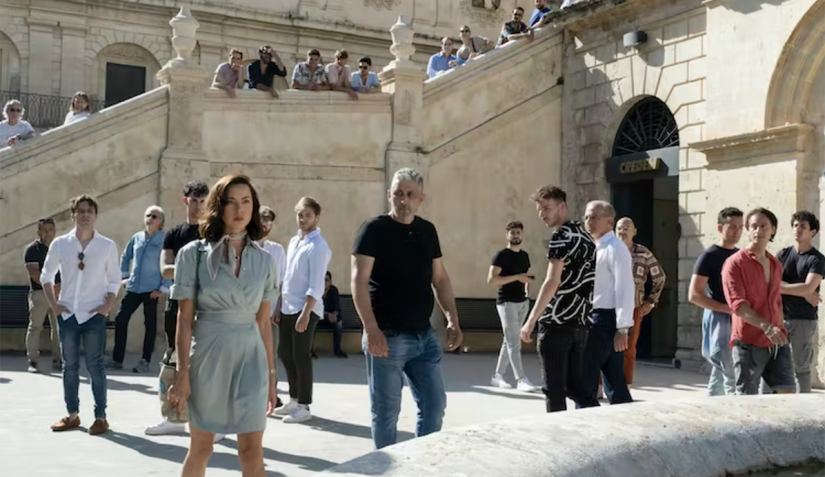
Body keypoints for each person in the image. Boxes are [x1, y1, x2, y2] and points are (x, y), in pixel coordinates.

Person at [167, 174, 279, 476]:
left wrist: (271, 375)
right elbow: (184, 318)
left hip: (251, 358)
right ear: (218, 206)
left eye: (246, 202)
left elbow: (264, 323)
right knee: (202, 446)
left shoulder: (267, 261)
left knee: (252, 449)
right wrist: (182, 373)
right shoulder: (193, 254)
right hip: (207, 356)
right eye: (230, 202)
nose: (239, 209)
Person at [352, 167, 463, 449]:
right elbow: (359, 281)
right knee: (386, 413)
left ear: (421, 198)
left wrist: (452, 319)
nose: (404, 200)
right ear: (389, 195)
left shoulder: (427, 231)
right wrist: (371, 329)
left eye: (410, 194)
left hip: (424, 338)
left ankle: (419, 466)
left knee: (434, 405)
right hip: (386, 338)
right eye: (398, 193)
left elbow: (440, 278)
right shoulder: (373, 230)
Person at [41, 195, 121, 435]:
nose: (85, 214)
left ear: (95, 215)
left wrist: (107, 306)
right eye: (80, 210)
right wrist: (54, 306)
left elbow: (115, 279)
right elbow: (46, 276)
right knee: (70, 366)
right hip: (67, 315)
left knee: (96, 366)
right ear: (72, 215)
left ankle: (101, 417)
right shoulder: (60, 244)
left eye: (89, 211)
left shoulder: (106, 245)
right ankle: (72, 415)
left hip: (94, 315)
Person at [520, 187, 599, 412]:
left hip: (557, 323)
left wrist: (531, 319)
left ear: (562, 207)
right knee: (576, 388)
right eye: (539, 210)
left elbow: (551, 282)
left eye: (547, 208)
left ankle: (558, 441)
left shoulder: (561, 236)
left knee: (553, 391)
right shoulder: (586, 236)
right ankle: (599, 427)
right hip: (580, 324)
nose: (543, 214)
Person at [145, 180, 209, 436]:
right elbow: (165, 269)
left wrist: (185, 269)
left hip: (207, 308)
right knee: (173, 362)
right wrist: (199, 268)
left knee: (205, 365)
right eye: (194, 200)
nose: (198, 206)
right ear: (186, 201)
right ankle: (173, 419)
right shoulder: (173, 234)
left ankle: (208, 423)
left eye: (203, 201)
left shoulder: (214, 233)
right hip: (177, 304)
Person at [721, 207, 796, 395]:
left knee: (787, 395)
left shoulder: (775, 264)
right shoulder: (734, 263)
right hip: (748, 342)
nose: (758, 230)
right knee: (748, 402)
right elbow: (737, 305)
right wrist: (766, 326)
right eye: (753, 226)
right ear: (748, 229)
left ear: (773, 230)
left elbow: (775, 299)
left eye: (764, 226)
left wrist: (780, 327)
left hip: (777, 341)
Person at [274, 197, 332, 423]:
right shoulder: (294, 241)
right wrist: (280, 305)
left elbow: (316, 284)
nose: (303, 219)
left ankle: (304, 405)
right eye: (300, 214)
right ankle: (294, 399)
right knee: (285, 354)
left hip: (306, 308)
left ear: (316, 217)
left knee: (300, 355)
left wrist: (306, 312)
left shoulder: (319, 246)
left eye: (307, 215)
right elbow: (288, 277)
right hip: (289, 306)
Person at [581, 201, 633, 405]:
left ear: (610, 222)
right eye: (586, 217)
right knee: (613, 381)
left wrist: (623, 327)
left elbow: (625, 287)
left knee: (585, 379)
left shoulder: (616, 248)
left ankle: (585, 422)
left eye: (594, 217)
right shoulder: (594, 247)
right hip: (593, 318)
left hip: (605, 319)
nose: (588, 222)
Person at [688, 207, 744, 396]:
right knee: (729, 370)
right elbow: (694, 295)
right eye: (732, 226)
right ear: (720, 228)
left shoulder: (740, 256)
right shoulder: (709, 256)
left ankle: (712, 404)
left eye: (740, 227)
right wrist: (726, 309)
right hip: (718, 318)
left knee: (723, 369)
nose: (737, 231)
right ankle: (733, 410)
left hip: (737, 317)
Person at [109, 205, 171, 373]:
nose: (150, 218)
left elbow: (170, 264)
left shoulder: (164, 240)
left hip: (152, 290)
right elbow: (126, 256)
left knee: (150, 325)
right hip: (134, 287)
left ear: (161, 222)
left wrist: (163, 287)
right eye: (148, 215)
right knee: (121, 319)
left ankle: (145, 360)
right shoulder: (137, 238)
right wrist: (123, 276)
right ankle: (117, 359)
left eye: (155, 216)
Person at [615, 217, 666, 387]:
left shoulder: (643, 252)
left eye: (626, 228)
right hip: (610, 307)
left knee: (629, 348)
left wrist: (651, 302)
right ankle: (600, 386)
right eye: (619, 228)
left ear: (634, 232)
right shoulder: (609, 249)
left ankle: (626, 384)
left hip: (634, 308)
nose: (622, 232)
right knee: (605, 347)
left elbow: (660, 277)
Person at [488, 220, 538, 391]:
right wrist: (517, 277)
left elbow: (526, 277)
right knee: (513, 343)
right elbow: (492, 280)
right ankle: (521, 379)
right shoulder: (501, 255)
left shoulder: (524, 256)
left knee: (509, 342)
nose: (515, 235)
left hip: (522, 303)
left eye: (518, 232)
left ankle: (497, 376)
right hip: (506, 303)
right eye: (512, 233)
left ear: (522, 235)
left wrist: (527, 293)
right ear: (507, 235)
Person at [777, 211, 824, 393]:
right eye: (795, 225)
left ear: (812, 231)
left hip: (804, 321)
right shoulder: (783, 254)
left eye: (803, 226)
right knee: (774, 365)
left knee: (801, 369)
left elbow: (809, 287)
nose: (798, 229)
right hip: (779, 317)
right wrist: (804, 292)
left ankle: (804, 408)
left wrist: (804, 290)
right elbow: (770, 283)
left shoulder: (816, 259)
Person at [24, 217, 61, 373]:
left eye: (50, 230)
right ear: (38, 231)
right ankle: (32, 360)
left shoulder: (59, 248)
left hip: (59, 293)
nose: (47, 233)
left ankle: (59, 360)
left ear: (54, 231)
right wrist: (51, 288)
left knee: (59, 327)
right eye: (44, 230)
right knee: (35, 327)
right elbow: (34, 274)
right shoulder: (32, 249)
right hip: (40, 294)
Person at [312, 271, 347, 358]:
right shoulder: (316, 290)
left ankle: (337, 350)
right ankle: (310, 350)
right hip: (317, 318)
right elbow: (314, 308)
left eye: (327, 280)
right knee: (312, 322)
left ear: (330, 282)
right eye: (322, 280)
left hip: (329, 319)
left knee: (338, 323)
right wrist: (328, 314)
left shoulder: (333, 290)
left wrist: (334, 314)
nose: (325, 282)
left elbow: (336, 306)